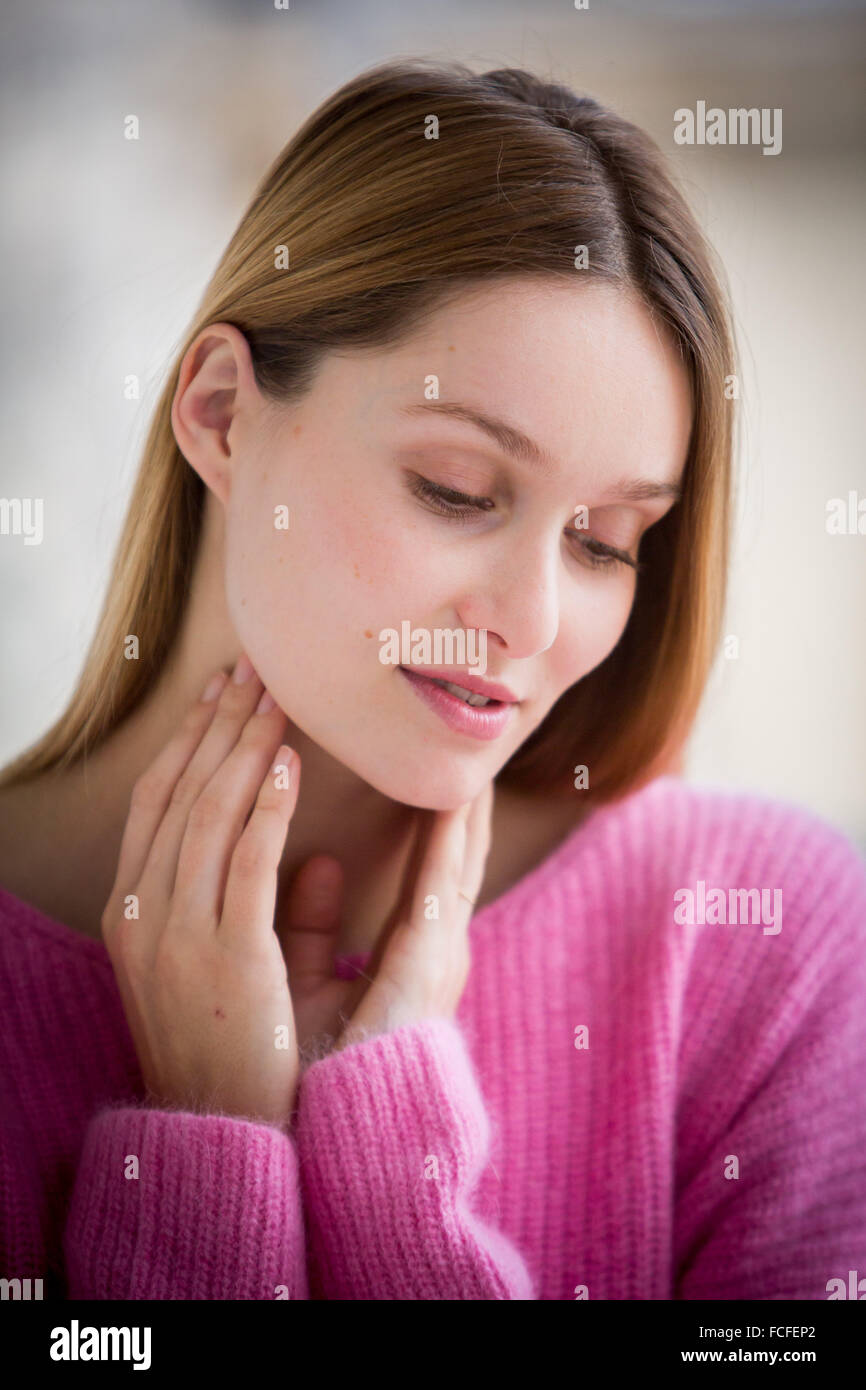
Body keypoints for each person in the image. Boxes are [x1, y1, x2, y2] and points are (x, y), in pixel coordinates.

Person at [1, 57, 864, 1302]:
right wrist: (204, 1147)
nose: (527, 618)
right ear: (223, 413)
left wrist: (386, 1168)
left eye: (604, 541)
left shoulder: (761, 941)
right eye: (455, 490)